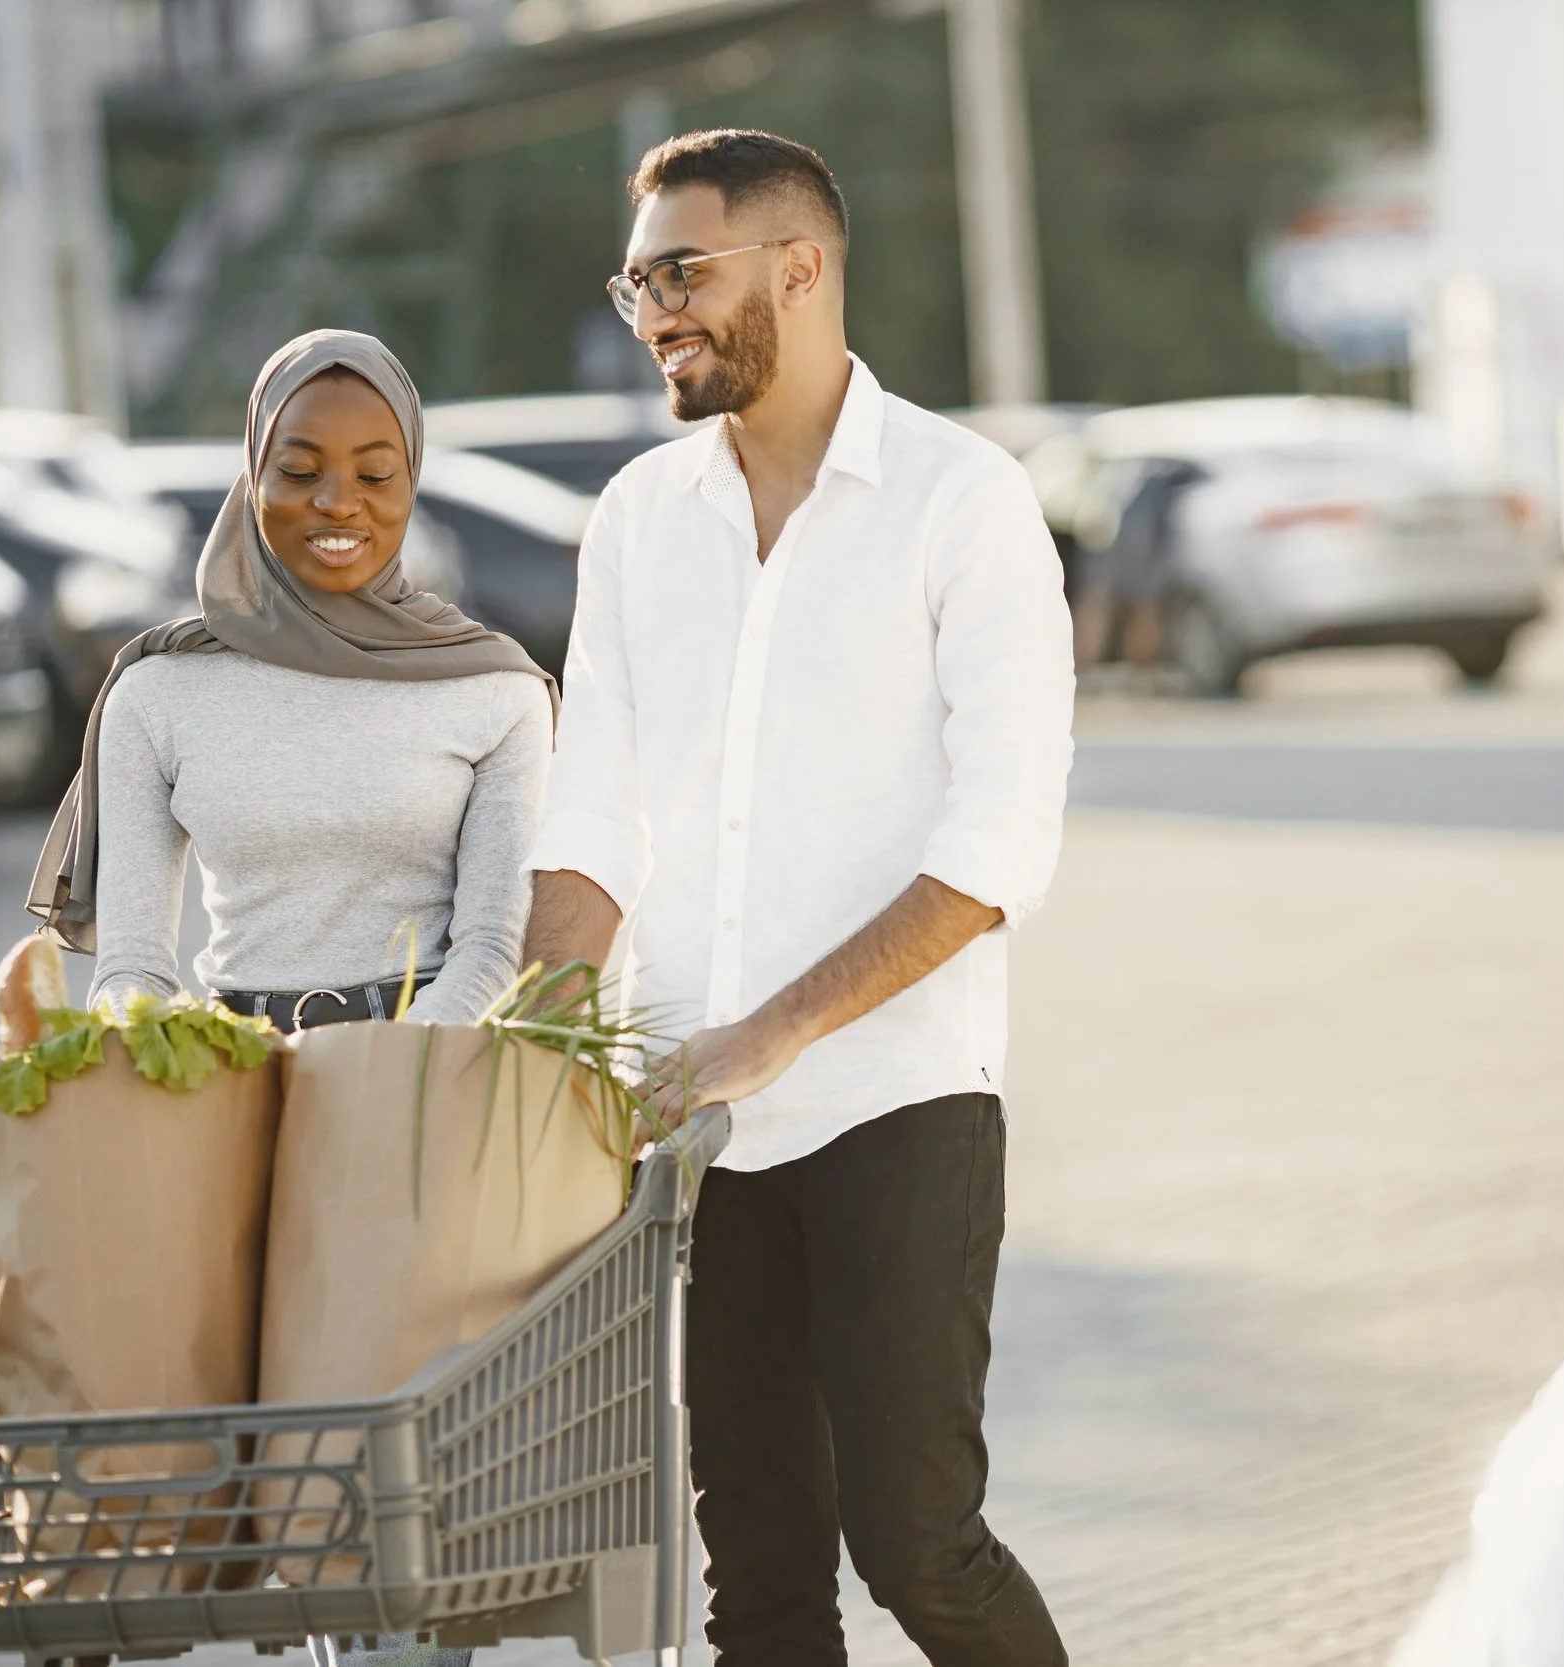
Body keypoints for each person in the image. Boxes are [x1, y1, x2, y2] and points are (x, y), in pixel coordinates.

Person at [524, 131, 1075, 1666]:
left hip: (899, 1100)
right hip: (698, 1123)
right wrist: (530, 1047)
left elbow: (1000, 843)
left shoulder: (963, 503)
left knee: (918, 1545)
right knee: (756, 1580)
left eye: (681, 272)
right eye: (636, 280)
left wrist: (770, 1032)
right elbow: (592, 811)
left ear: (801, 265)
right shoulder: (637, 517)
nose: (654, 313)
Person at [25, 332, 555, 1667]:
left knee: (384, 1520)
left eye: (377, 472)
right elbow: (134, 961)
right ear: (249, 474)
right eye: (300, 467)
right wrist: (163, 1068)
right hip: (224, 1083)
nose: (340, 503)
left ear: (414, 480)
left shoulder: (488, 685)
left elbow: (492, 943)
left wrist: (381, 1084)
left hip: (416, 1089)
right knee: (251, 1502)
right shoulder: (163, 683)